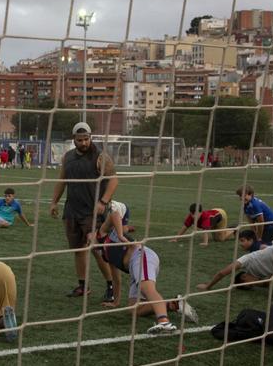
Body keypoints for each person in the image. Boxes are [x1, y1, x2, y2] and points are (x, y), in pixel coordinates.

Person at [48, 122, 118, 299]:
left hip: (92, 212)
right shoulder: (68, 157)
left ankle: (111, 285)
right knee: (78, 249)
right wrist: (54, 202)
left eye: (86, 139)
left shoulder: (101, 157)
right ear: (74, 140)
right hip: (72, 210)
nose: (84, 143)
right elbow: (62, 180)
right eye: (80, 140)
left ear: (90, 137)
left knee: (96, 248)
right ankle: (83, 285)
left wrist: (103, 201)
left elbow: (113, 180)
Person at [98, 239, 197, 334]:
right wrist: (116, 302)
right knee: (134, 309)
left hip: (141, 256)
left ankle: (164, 322)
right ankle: (173, 304)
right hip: (134, 266)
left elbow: (123, 231)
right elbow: (116, 279)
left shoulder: (110, 235)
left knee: (147, 289)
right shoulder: (105, 253)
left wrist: (121, 235)